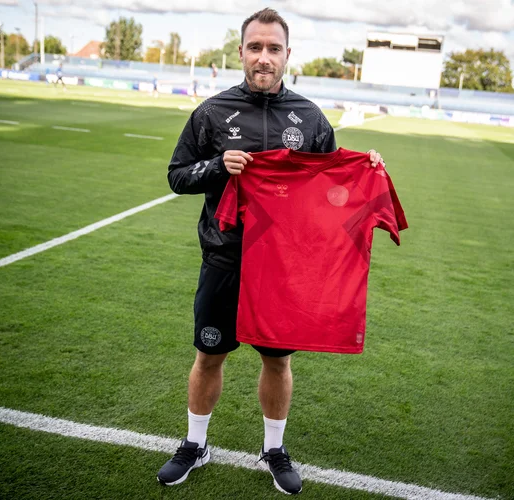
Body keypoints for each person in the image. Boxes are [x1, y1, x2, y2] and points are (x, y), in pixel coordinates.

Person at [157, 7, 383, 495]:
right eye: (255, 47)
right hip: (225, 258)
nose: (264, 57)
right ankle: (195, 445)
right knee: (209, 354)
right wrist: (218, 165)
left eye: (273, 48)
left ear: (286, 55)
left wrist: (366, 168)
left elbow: (332, 192)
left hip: (283, 268)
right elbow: (177, 177)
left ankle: (274, 449)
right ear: (240, 52)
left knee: (277, 362)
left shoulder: (309, 117)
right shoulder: (212, 113)